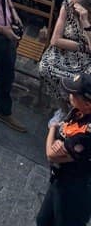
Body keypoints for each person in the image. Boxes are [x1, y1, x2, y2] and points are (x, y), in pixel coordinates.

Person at [36, 70, 91, 226]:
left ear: (87, 104)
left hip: (75, 189)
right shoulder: (78, 111)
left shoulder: (86, 134)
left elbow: (51, 155)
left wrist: (53, 128)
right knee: (43, 220)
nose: (69, 96)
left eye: (74, 95)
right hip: (60, 179)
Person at [40, 0, 91, 104]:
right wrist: (84, 47)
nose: (72, 5)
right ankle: (63, 106)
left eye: (76, 4)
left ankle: (77, 106)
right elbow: (55, 40)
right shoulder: (67, 6)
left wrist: (86, 23)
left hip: (86, 60)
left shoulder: (85, 18)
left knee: (82, 82)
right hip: (62, 52)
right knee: (45, 67)